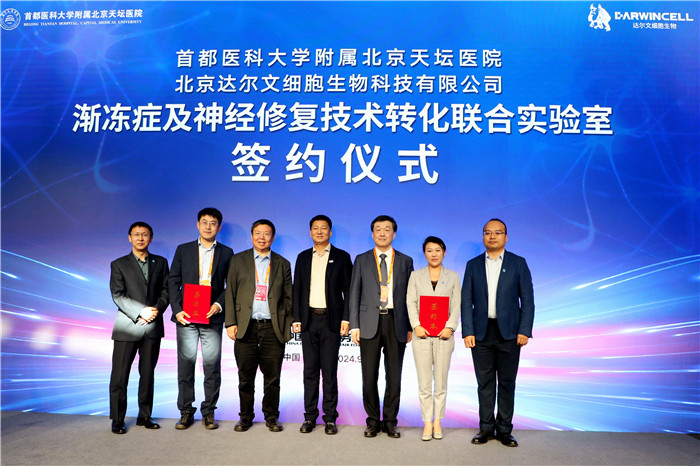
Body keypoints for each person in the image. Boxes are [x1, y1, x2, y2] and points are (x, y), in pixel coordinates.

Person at [461, 218, 534, 447]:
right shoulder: (473, 265)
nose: (492, 236)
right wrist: (468, 330)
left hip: (510, 334)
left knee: (506, 382)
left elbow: (528, 300)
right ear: (483, 236)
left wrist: (524, 330)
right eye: (487, 232)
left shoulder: (518, 263)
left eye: (497, 232)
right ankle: (485, 428)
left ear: (506, 237)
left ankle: (504, 430)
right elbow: (466, 301)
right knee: (484, 383)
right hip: (481, 333)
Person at [225, 219, 293, 432]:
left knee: (272, 378)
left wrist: (287, 323)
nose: (262, 238)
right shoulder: (238, 260)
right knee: (245, 377)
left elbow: (289, 297)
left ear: (272, 237)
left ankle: (272, 416)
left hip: (273, 328)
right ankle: (245, 417)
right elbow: (230, 292)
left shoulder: (282, 263)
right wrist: (231, 322)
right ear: (251, 235)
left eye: (266, 234)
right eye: (258, 233)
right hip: (245, 327)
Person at [349, 215, 414, 438]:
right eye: (378, 229)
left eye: (387, 229)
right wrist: (354, 325)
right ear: (372, 234)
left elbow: (410, 296)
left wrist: (410, 326)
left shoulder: (405, 261)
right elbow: (354, 293)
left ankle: (390, 422)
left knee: (394, 377)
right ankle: (372, 421)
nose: (382, 233)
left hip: (396, 322)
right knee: (369, 377)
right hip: (369, 323)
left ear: (394, 234)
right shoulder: (361, 259)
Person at [169, 208, 233, 430]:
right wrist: (178, 310)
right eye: (204, 222)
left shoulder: (227, 252)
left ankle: (209, 412)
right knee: (186, 365)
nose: (208, 226)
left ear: (219, 227)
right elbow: (173, 281)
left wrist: (218, 304)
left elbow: (231, 285)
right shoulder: (183, 249)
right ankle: (186, 411)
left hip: (212, 317)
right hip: (186, 317)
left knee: (212, 367)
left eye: (213, 223)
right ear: (197, 224)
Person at [292, 215, 353, 435]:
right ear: (310, 232)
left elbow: (349, 290)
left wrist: (346, 319)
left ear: (330, 232)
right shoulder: (302, 257)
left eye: (324, 228)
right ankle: (309, 417)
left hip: (331, 322)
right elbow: (296, 290)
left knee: (329, 372)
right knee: (309, 371)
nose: (319, 232)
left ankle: (329, 418)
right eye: (315, 228)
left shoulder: (342, 257)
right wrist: (296, 318)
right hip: (308, 321)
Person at [109, 221, 169, 434]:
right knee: (120, 376)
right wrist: (140, 312)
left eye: (145, 234)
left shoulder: (160, 262)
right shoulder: (119, 264)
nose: (141, 238)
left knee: (147, 374)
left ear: (151, 238)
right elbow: (118, 295)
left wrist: (155, 310)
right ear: (129, 237)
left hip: (152, 326)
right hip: (127, 326)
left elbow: (166, 290)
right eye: (136, 234)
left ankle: (145, 416)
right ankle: (118, 419)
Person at [406, 236, 460, 441]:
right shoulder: (415, 276)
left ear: (444, 252)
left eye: (438, 250)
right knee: (424, 382)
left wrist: (450, 327)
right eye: (429, 250)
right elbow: (410, 302)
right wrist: (416, 325)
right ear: (424, 253)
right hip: (422, 335)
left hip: (444, 336)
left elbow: (457, 304)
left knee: (441, 382)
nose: (434, 254)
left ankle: (438, 420)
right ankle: (427, 422)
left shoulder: (453, 276)